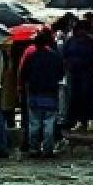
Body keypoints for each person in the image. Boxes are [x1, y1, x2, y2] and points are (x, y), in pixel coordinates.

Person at [21, 30, 66, 158]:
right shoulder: (55, 57)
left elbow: (24, 75)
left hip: (35, 94)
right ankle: (48, 149)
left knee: (34, 123)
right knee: (49, 123)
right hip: (50, 94)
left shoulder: (31, 57)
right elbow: (61, 74)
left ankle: (34, 148)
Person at [62, 19, 93, 132]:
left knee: (88, 96)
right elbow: (65, 57)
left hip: (88, 73)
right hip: (74, 74)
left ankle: (91, 120)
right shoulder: (70, 41)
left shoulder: (92, 41)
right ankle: (79, 120)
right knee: (76, 97)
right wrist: (67, 69)